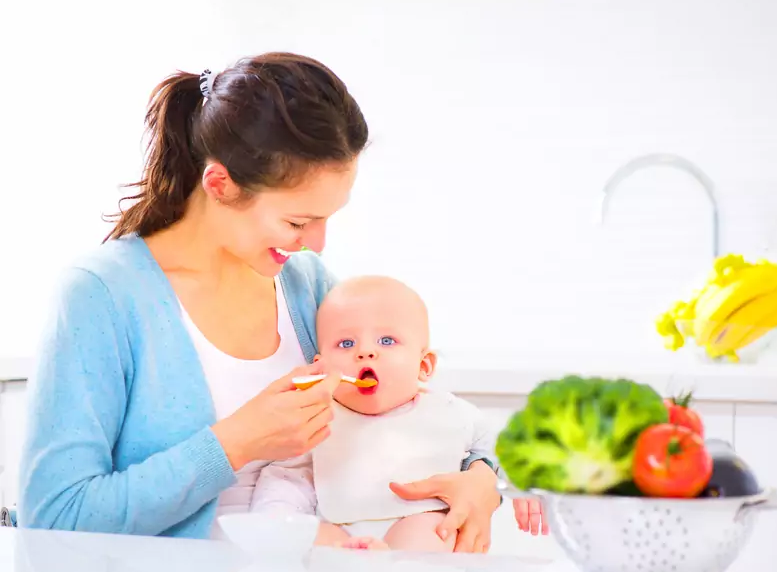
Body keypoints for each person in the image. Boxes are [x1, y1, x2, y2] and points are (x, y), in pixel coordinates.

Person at [16, 52, 501, 547]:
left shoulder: (305, 284)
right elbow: (54, 519)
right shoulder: (101, 296)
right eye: (296, 222)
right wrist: (238, 441)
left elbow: (413, 408)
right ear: (220, 184)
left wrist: (482, 480)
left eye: (327, 218)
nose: (316, 243)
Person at [251, 275, 498, 553]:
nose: (366, 351)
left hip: (415, 526)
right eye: (346, 344)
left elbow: (496, 451)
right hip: (339, 531)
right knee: (310, 538)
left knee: (434, 531)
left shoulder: (451, 412)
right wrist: (277, 517)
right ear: (320, 368)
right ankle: (354, 555)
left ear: (424, 366)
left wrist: (505, 484)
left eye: (387, 340)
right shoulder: (316, 418)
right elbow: (287, 478)